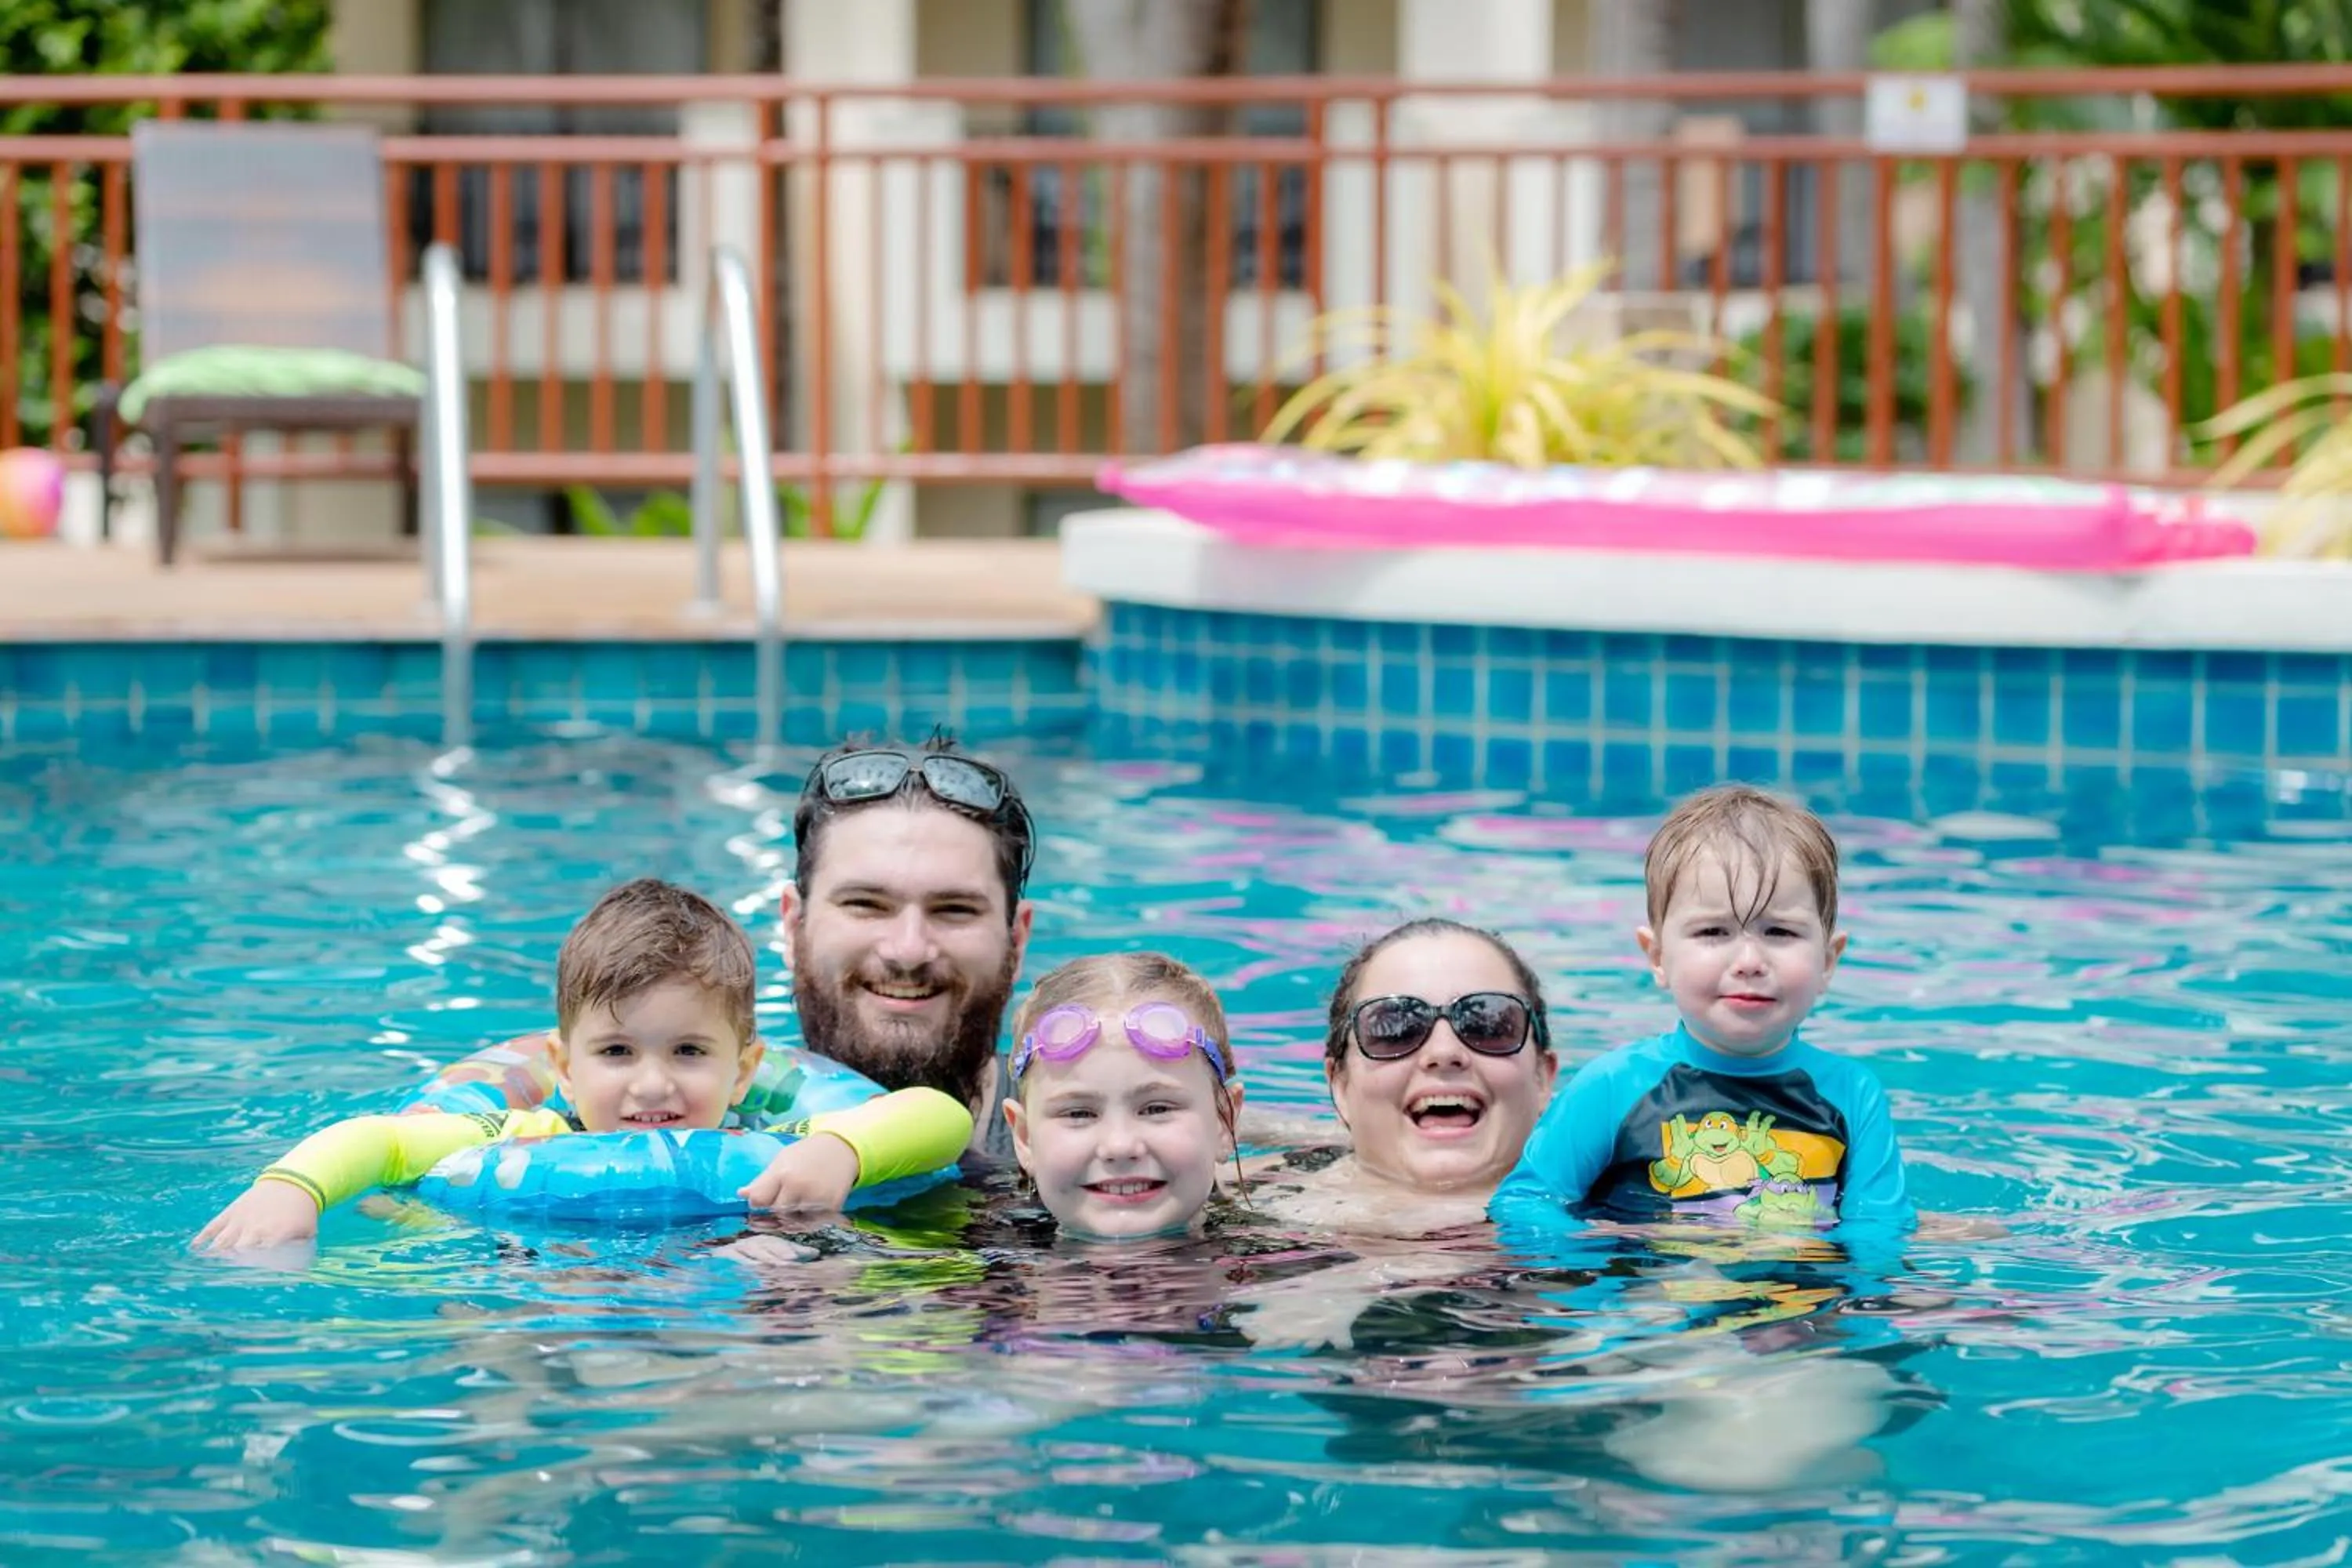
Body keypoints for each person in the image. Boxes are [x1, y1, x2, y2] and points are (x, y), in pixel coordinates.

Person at [194, 878, 974, 1250]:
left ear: (743, 1070)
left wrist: (838, 1149)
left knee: (794, 1269)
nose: (653, 1082)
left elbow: (939, 1116)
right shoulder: (522, 1129)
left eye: (691, 1051)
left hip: (729, 1305)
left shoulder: (783, 1137)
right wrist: (289, 1188)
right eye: (617, 1051)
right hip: (556, 1303)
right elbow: (380, 1140)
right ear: (565, 1066)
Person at [1494, 783, 1913, 1233]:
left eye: (1781, 933)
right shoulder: (1614, 1087)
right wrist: (1603, 1251)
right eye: (1714, 932)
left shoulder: (1852, 1094)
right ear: (1657, 957)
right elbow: (1525, 1204)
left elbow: (1878, 1232)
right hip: (1649, 1297)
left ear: (1828, 961)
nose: (1750, 962)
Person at [780, 739, 1038, 1165]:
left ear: (1017, 940)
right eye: (865, 904)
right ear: (793, 928)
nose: (908, 950)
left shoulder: (1081, 1146)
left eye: (955, 910)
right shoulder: (685, 1111)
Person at [1247, 918, 1560, 1239]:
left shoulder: (1607, 1210)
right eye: (1395, 1027)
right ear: (1339, 1086)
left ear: (1542, 1078)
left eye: (1487, 1024)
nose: (1443, 1052)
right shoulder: (1241, 1206)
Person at [999, 952, 1245, 1243]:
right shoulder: (975, 1270)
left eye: (1156, 1109)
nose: (1119, 1145)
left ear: (1223, 1122)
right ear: (1025, 1138)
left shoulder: (1285, 1263)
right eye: (1079, 1114)